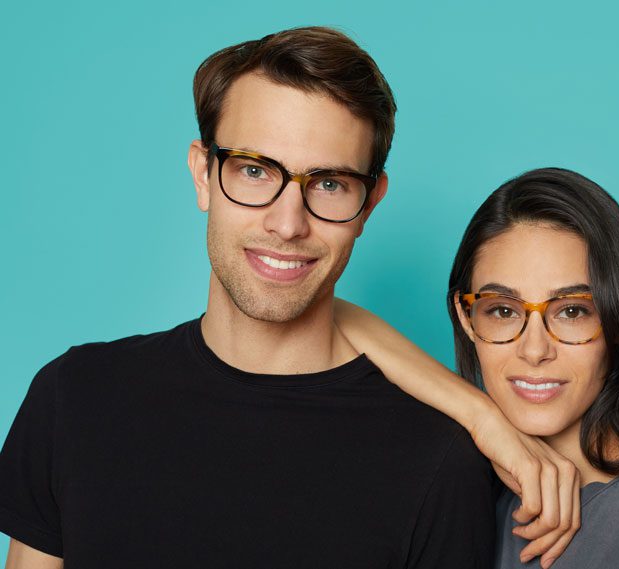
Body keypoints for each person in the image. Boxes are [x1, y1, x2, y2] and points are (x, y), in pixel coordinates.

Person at [0, 27, 577, 568]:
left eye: (328, 184)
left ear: (369, 203)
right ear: (204, 174)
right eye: (254, 171)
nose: (287, 222)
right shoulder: (74, 400)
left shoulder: (440, 463)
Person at [334, 168, 619, 568]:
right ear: (466, 320)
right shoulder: (469, 499)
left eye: (572, 311)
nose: (534, 350)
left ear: (618, 322)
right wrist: (479, 416)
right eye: (501, 310)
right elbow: (313, 313)